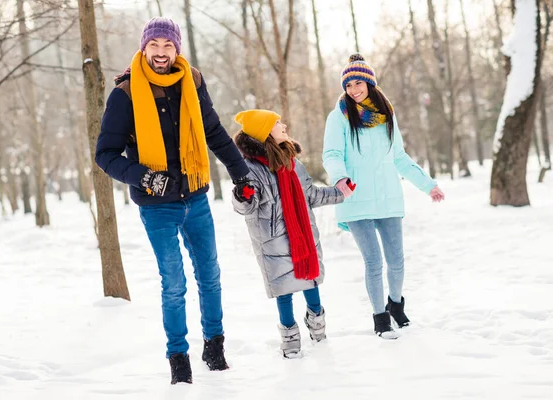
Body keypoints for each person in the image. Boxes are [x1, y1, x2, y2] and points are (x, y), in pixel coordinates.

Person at [95, 17, 252, 384]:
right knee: (174, 283)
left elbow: (213, 131)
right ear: (144, 48)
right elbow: (105, 155)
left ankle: (215, 347)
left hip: (195, 196)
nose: (162, 53)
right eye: (155, 46)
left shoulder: (192, 82)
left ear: (176, 49)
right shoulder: (126, 93)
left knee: (210, 276)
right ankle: (178, 358)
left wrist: (241, 172)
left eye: (168, 46)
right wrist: (145, 177)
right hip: (157, 205)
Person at [322, 54, 445, 339]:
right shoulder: (338, 116)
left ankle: (396, 305)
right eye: (348, 84)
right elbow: (331, 153)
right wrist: (340, 179)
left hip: (388, 197)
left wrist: (428, 185)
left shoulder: (386, 114)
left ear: (369, 82)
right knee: (374, 262)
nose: (353, 89)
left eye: (358, 82)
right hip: (355, 198)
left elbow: (399, 158)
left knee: (397, 260)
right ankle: (379, 316)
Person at [231, 109, 351, 358]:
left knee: (311, 281)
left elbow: (312, 195)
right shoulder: (250, 169)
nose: (283, 125)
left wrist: (340, 192)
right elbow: (247, 206)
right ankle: (290, 336)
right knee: (284, 291)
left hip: (303, 235)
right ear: (265, 132)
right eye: (277, 123)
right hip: (272, 240)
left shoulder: (294, 164)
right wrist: (243, 195)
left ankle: (317, 324)